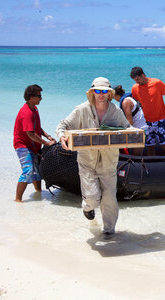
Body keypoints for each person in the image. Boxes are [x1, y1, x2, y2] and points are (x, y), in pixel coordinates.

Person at [56, 77, 130, 238]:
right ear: (92, 92)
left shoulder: (115, 111)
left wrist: (135, 133)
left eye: (104, 91)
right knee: (92, 198)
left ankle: (109, 232)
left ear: (109, 93)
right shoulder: (82, 109)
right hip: (87, 161)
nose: (101, 94)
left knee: (110, 198)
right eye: (98, 91)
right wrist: (62, 136)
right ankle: (87, 208)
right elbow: (63, 125)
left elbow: (127, 128)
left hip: (109, 162)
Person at [13, 84, 56, 202]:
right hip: (23, 145)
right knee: (28, 171)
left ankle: (38, 195)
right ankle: (18, 200)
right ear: (31, 97)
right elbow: (30, 134)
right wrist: (47, 144)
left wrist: (48, 136)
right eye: (39, 96)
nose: (41, 98)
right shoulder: (27, 112)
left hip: (33, 144)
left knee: (37, 171)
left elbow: (37, 127)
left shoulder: (34, 109)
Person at [130, 66, 165, 156]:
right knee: (150, 146)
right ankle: (151, 168)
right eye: (135, 80)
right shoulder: (135, 88)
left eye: (138, 79)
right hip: (145, 122)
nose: (137, 82)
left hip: (160, 120)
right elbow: (135, 105)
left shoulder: (156, 83)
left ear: (143, 75)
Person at [113, 85, 146, 156]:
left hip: (139, 130)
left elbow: (130, 122)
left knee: (136, 155)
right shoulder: (129, 98)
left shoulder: (125, 102)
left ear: (115, 95)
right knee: (137, 154)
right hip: (142, 127)